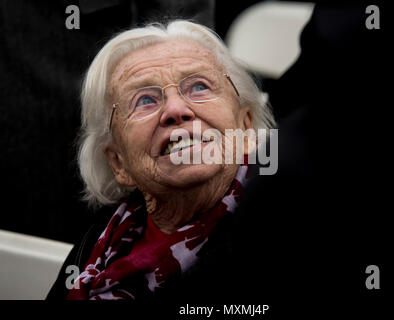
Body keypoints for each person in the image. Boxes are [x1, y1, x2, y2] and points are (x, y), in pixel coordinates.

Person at [47, 19, 275, 300]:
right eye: (144, 100)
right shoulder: (96, 245)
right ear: (119, 163)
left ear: (245, 127)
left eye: (199, 86)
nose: (176, 109)